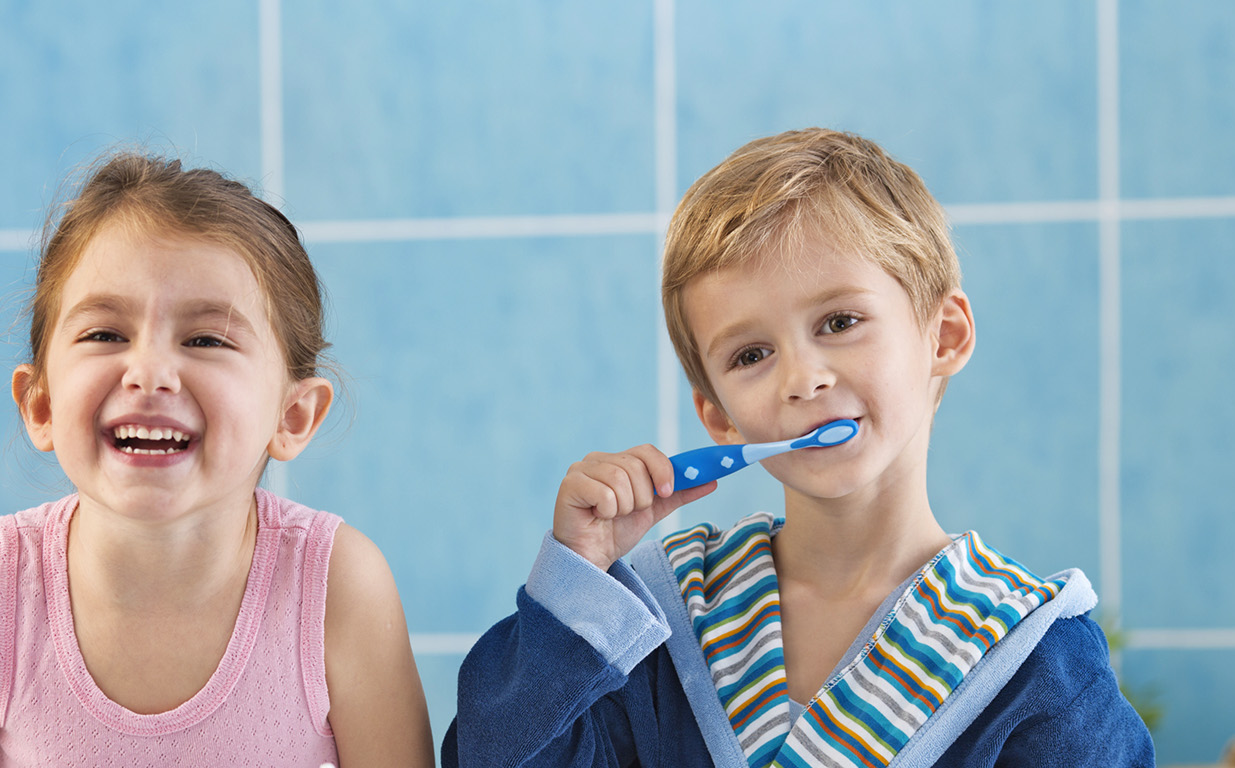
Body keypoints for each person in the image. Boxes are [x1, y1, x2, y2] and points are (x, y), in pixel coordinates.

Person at [445, 129, 1153, 767]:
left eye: (840, 321)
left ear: (944, 336)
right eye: (751, 354)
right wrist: (578, 581)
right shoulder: (658, 623)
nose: (802, 378)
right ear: (719, 418)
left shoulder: (1037, 660)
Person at [0, 153, 434, 767]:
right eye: (105, 334)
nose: (149, 373)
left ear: (291, 416)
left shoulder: (336, 589)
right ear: (40, 405)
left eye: (206, 340)